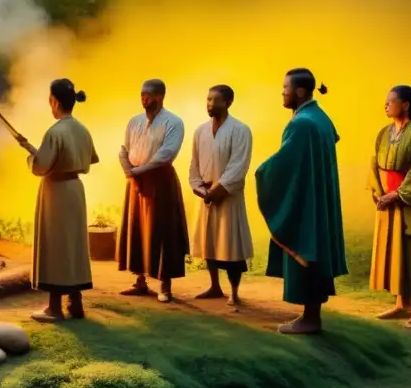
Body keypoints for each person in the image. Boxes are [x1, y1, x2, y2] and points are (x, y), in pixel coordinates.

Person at [255, 68, 347, 335]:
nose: (282, 92)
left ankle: (309, 319)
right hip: (317, 194)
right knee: (313, 248)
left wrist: (263, 173)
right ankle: (310, 316)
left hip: (307, 199)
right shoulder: (320, 117)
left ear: (301, 91)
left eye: (286, 87)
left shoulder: (301, 123)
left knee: (304, 244)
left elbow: (287, 161)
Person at [20, 78, 98, 323]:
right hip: (75, 189)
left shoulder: (55, 131)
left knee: (55, 245)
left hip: (56, 192)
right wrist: (33, 148)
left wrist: (31, 158)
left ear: (54, 102)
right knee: (72, 245)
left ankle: (54, 308)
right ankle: (76, 302)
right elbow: (86, 158)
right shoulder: (81, 129)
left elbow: (41, 166)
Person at [368, 85, 411, 328]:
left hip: (410, 203)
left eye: (391, 101)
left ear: (406, 104)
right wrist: (379, 193)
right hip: (387, 202)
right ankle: (400, 305)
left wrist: (398, 194)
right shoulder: (383, 133)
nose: (385, 105)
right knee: (394, 253)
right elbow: (374, 165)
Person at [117, 79, 190, 302]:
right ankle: (140, 281)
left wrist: (138, 172)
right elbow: (124, 149)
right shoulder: (134, 121)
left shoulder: (173, 122)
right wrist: (129, 170)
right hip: (135, 179)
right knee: (137, 228)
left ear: (159, 97)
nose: (143, 98)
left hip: (159, 180)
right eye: (141, 94)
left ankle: (165, 286)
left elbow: (166, 154)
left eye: (148, 94)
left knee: (162, 231)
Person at [188, 85, 254, 307]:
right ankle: (214, 286)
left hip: (228, 199)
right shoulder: (200, 131)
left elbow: (239, 165)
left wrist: (218, 191)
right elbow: (194, 164)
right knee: (209, 243)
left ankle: (234, 292)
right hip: (206, 197)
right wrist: (198, 187)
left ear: (228, 103)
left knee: (231, 245)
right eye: (207, 99)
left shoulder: (240, 130)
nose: (209, 104)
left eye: (215, 100)